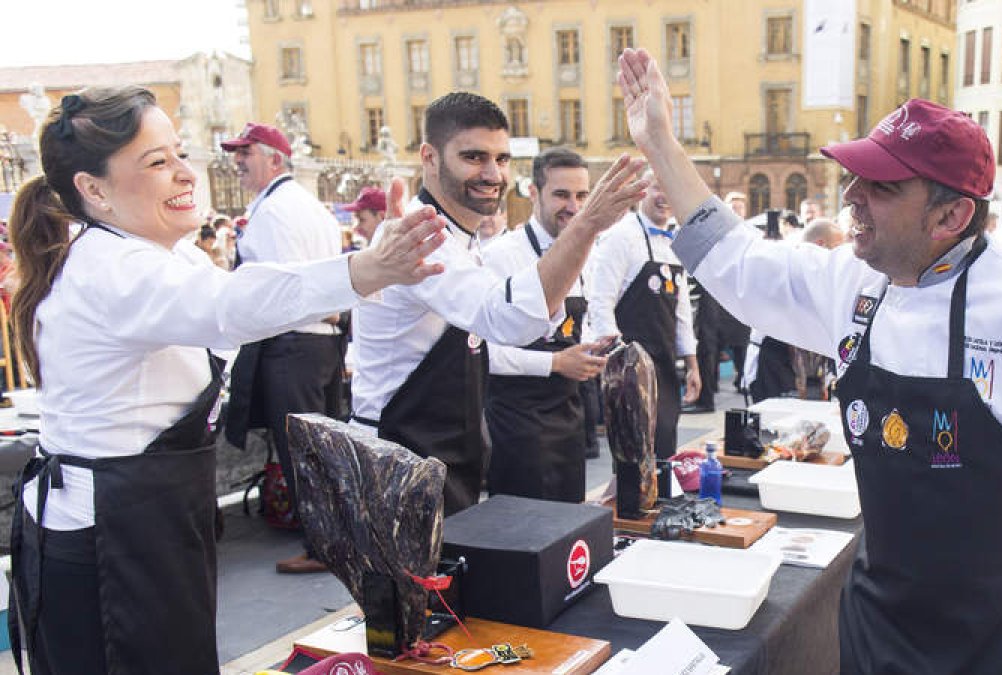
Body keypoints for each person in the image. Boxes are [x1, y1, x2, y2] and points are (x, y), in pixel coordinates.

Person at [618, 48, 1002, 672]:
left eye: (882, 187)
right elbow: (739, 264)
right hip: (882, 633)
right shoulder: (855, 283)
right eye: (857, 178)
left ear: (951, 214)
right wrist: (660, 145)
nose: (853, 196)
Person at [6, 86, 447, 675]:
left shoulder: (166, 255)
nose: (186, 173)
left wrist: (364, 268)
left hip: (149, 521)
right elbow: (229, 304)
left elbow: (251, 289)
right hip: (108, 539)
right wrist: (365, 269)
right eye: (157, 162)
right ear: (93, 189)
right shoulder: (110, 268)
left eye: (178, 152)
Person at [350, 92, 645, 515]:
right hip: (399, 460)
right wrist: (589, 223)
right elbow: (509, 321)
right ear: (429, 158)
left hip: (439, 453)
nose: (492, 173)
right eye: (473, 157)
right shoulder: (420, 236)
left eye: (501, 159)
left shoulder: (458, 240)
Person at [219, 122, 346, 574]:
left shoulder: (274, 213)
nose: (237, 162)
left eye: (245, 153)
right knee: (319, 449)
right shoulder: (308, 207)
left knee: (301, 451)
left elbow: (276, 288)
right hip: (318, 343)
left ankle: (322, 548)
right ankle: (331, 541)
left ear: (275, 159)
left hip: (293, 342)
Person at [481, 147, 607, 502]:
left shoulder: (588, 254)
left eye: (582, 195)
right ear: (533, 193)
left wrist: (598, 347)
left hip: (569, 413)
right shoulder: (500, 257)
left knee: (568, 524)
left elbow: (584, 324)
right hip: (516, 419)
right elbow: (481, 352)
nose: (574, 206)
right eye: (562, 195)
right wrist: (555, 362)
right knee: (525, 530)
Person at [586, 169, 700, 458]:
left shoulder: (676, 241)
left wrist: (692, 363)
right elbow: (600, 302)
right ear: (641, 194)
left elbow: (682, 311)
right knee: (634, 452)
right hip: (631, 365)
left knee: (664, 443)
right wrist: (618, 362)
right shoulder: (620, 237)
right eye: (657, 188)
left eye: (669, 189)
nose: (664, 197)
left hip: (664, 363)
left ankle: (660, 502)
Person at [743, 217, 844, 403]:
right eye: (837, 247)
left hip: (801, 369)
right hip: (773, 365)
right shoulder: (787, 266)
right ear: (820, 245)